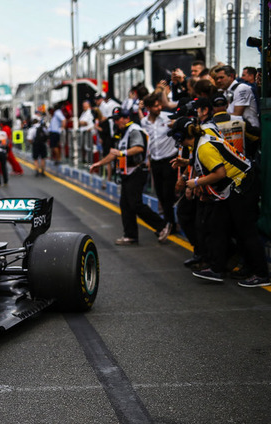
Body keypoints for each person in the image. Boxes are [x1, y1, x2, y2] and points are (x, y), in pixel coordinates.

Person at [170, 117, 267, 286]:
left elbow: (220, 173)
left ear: (181, 136)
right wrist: (187, 162)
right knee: (218, 225)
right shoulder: (205, 134)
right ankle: (219, 268)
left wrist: (196, 183)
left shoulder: (203, 148)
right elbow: (213, 157)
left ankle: (261, 274)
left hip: (243, 186)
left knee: (246, 231)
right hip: (238, 185)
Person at [89, 107, 166, 245]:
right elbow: (114, 153)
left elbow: (139, 148)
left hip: (137, 171)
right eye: (115, 120)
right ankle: (130, 235)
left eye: (118, 119)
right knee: (125, 204)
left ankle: (162, 225)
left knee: (135, 203)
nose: (116, 122)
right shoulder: (121, 132)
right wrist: (99, 164)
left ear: (126, 118)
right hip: (126, 172)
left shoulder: (134, 130)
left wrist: (122, 153)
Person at [141, 93, 177, 238]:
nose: (159, 107)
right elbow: (149, 141)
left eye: (159, 105)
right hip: (155, 161)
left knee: (168, 193)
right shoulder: (144, 122)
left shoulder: (168, 117)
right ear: (148, 108)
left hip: (169, 159)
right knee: (160, 193)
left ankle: (170, 223)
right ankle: (167, 221)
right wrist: (148, 159)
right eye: (155, 106)